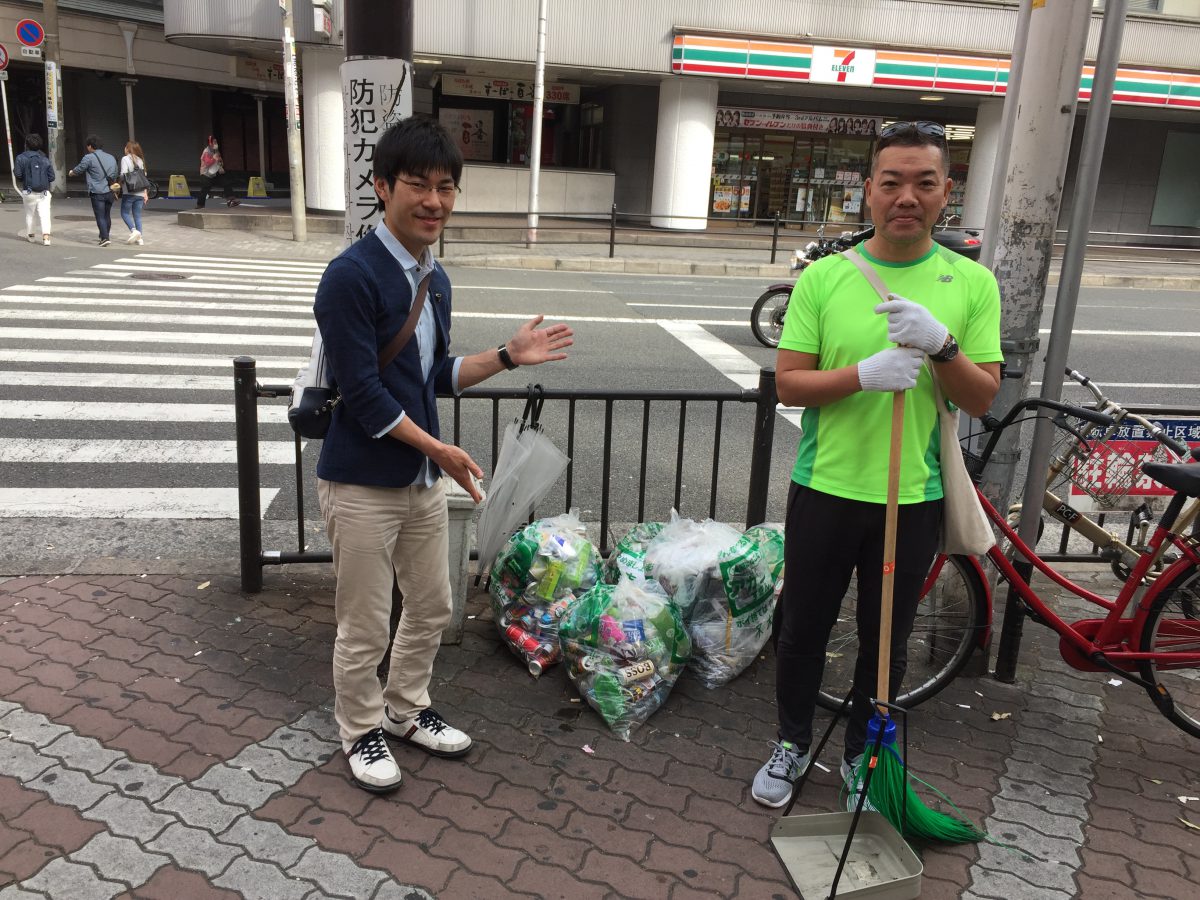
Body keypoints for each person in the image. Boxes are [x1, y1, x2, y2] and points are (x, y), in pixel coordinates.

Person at [314, 117, 574, 794]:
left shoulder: (437, 279)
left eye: (446, 187)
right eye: (418, 186)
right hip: (362, 481)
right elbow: (363, 393)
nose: (434, 201)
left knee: (430, 607)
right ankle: (361, 728)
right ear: (382, 187)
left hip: (421, 477)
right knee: (366, 623)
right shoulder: (350, 277)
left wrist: (509, 356)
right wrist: (440, 449)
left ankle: (406, 710)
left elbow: (431, 375)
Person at [751, 120, 1002, 810]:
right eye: (891, 181)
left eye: (924, 182)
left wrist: (943, 346)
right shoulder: (826, 279)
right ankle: (792, 742)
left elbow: (982, 396)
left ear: (946, 192)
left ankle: (864, 755)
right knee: (801, 628)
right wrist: (862, 375)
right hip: (824, 489)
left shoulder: (971, 283)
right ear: (868, 191)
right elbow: (791, 383)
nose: (906, 196)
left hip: (912, 497)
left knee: (883, 640)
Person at [71, 136, 119, 247]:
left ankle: (104, 238)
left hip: (97, 191)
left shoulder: (89, 158)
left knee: (100, 216)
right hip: (110, 190)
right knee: (107, 215)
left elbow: (79, 169)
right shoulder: (111, 157)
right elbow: (116, 173)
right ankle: (105, 235)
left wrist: (71, 173)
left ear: (90, 146)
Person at [14, 134, 54, 246]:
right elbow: (52, 177)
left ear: (26, 145)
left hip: (28, 191)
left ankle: (31, 235)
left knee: (30, 214)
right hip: (44, 192)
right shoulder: (45, 159)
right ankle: (46, 238)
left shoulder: (21, 158)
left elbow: (18, 174)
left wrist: (25, 178)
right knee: (45, 214)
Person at [196, 135, 239, 209]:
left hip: (215, 173)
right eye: (214, 142)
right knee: (205, 189)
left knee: (226, 182)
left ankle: (231, 200)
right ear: (210, 143)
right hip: (206, 174)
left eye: (216, 142)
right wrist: (214, 159)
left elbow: (220, 161)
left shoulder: (216, 151)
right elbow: (207, 163)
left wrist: (221, 165)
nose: (216, 144)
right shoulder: (206, 152)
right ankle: (200, 205)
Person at [120, 140, 149, 245]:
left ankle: (134, 231)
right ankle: (140, 239)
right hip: (141, 192)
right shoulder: (140, 160)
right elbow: (144, 177)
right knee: (137, 215)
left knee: (124, 213)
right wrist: (145, 193)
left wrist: (118, 183)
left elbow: (123, 175)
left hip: (129, 192)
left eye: (125, 147)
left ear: (128, 149)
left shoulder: (125, 159)